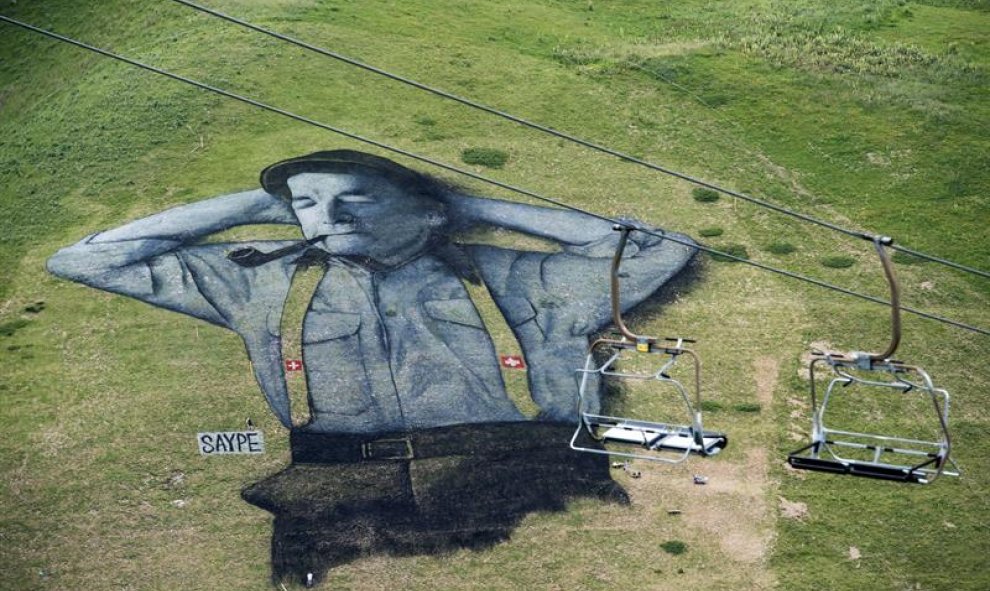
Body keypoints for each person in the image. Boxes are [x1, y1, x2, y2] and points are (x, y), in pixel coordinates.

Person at [47, 150, 698, 583]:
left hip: (515, 475)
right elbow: (85, 260)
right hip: (333, 490)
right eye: (306, 203)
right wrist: (251, 206)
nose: (327, 218)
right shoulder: (258, 282)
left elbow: (659, 249)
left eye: (356, 197)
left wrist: (472, 208)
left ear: (423, 208)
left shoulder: (519, 277)